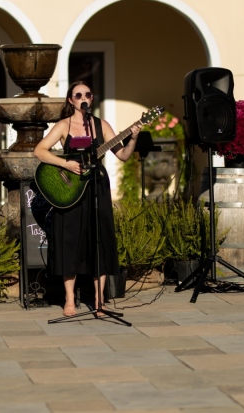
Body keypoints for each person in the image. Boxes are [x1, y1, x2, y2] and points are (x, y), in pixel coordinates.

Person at [34, 81, 141, 317]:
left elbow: (122, 155)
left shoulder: (101, 125)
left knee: (98, 241)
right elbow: (40, 150)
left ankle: (99, 301)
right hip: (70, 189)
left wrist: (132, 138)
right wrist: (65, 163)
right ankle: (70, 300)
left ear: (92, 99)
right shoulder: (63, 125)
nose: (84, 98)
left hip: (96, 188)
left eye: (88, 94)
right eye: (78, 94)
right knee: (69, 241)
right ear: (70, 100)